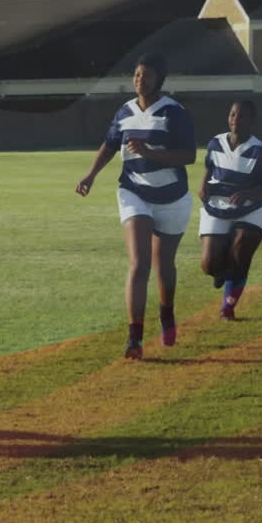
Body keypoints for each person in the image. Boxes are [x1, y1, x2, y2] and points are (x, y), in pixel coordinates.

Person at [75, 53, 197, 360]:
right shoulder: (124, 111)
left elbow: (188, 156)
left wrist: (149, 152)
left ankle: (167, 313)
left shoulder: (174, 112)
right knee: (139, 263)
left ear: (160, 80)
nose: (140, 80)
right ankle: (135, 339)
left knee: (163, 265)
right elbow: (109, 144)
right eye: (137, 75)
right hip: (134, 192)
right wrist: (90, 175)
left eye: (147, 75)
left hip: (172, 197)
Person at [197, 100, 262, 320]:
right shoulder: (215, 143)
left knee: (241, 253)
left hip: (251, 209)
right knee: (209, 265)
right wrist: (203, 184)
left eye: (241, 116)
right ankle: (220, 269)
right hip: (217, 206)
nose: (236, 120)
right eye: (232, 115)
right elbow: (209, 167)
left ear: (251, 120)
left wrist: (247, 195)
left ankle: (227, 308)